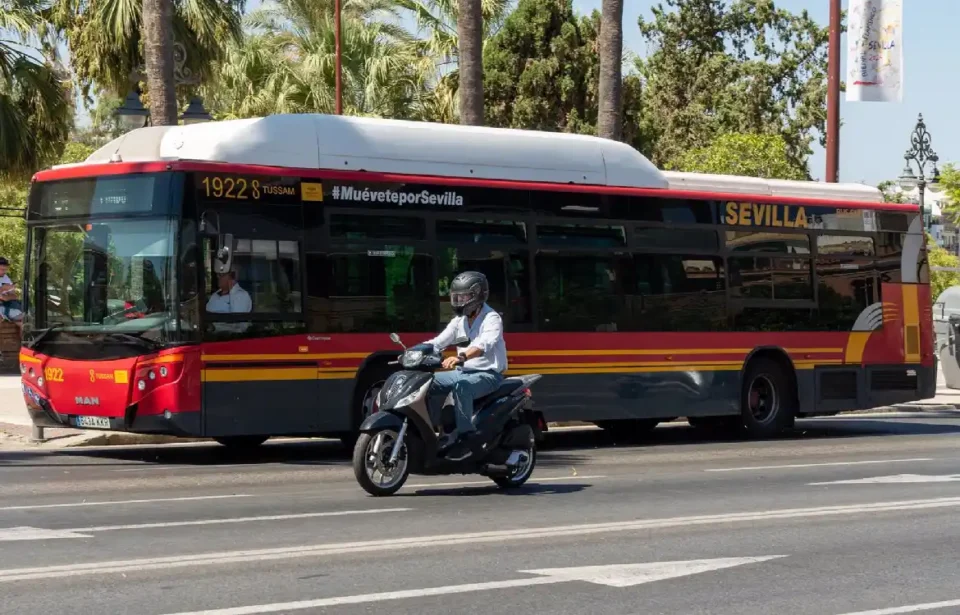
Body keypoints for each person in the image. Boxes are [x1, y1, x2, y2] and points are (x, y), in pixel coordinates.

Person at [424, 271, 507, 456]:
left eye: (464, 297)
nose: (460, 301)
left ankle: (466, 440)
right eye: (457, 297)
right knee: (423, 382)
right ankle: (427, 433)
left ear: (478, 295)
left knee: (463, 388)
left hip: (488, 375)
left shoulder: (492, 318)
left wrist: (461, 357)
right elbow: (438, 342)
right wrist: (415, 351)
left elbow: (483, 344)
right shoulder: (459, 321)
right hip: (463, 372)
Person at [0, 257, 23, 332]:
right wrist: (3, 289)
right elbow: (3, 298)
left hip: (10, 304)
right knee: (24, 322)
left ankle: (26, 342)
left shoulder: (5, 277)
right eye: (2, 270)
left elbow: (15, 296)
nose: (4, 272)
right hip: (3, 307)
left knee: (27, 321)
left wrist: (6, 296)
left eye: (5, 269)